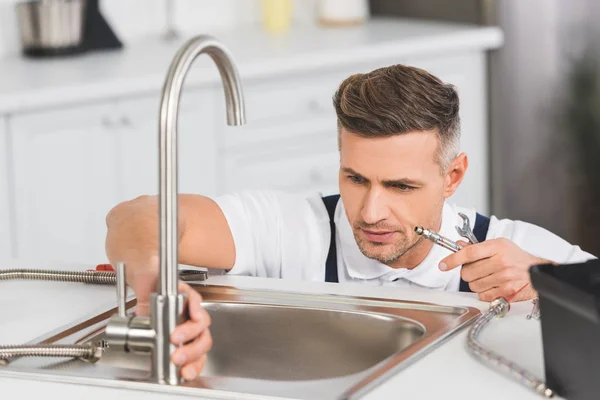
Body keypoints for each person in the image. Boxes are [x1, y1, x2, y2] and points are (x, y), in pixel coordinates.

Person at [104, 64, 596, 379]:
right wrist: (154, 287)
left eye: (401, 187)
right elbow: (138, 215)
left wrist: (551, 284)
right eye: (356, 178)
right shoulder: (292, 227)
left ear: (453, 176)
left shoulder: (520, 251)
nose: (370, 212)